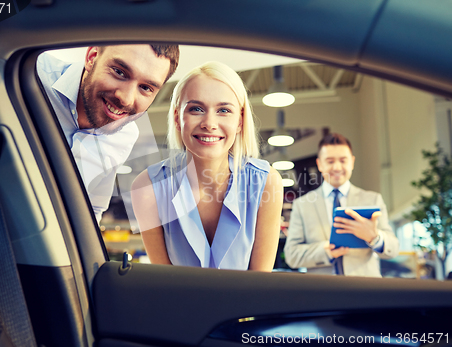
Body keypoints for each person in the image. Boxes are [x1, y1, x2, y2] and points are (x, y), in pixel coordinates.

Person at [131, 61, 283, 271]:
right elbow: (165, 284)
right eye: (196, 109)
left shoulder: (266, 182)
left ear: (239, 121)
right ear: (177, 118)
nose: (209, 123)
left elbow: (261, 285)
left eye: (223, 110)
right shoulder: (147, 187)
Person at [37, 44, 180, 222]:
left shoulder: (125, 135)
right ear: (92, 56)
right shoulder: (32, 74)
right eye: (119, 72)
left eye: (146, 88)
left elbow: (93, 207)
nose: (126, 99)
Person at [284, 133, 399, 277]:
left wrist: (374, 237)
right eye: (330, 161)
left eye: (343, 160)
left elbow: (393, 249)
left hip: (365, 291)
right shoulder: (302, 205)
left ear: (352, 162)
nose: (337, 167)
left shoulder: (373, 199)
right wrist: (324, 250)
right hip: (321, 292)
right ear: (319, 164)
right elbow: (291, 255)